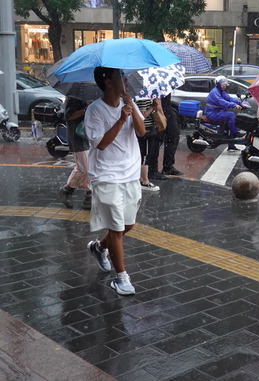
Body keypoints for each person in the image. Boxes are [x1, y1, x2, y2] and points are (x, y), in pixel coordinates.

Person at [84, 66, 145, 296]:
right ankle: (121, 278)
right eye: (120, 76)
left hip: (130, 173)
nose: (125, 79)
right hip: (106, 175)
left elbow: (141, 132)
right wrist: (121, 119)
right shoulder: (94, 111)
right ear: (108, 82)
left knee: (127, 225)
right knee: (117, 229)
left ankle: (99, 247)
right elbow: (101, 143)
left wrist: (132, 111)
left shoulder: (129, 103)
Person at [58, 96, 93, 210]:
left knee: (89, 167)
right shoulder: (73, 97)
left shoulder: (86, 94)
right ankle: (67, 189)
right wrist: (86, 109)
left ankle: (89, 194)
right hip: (77, 136)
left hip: (87, 135)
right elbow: (68, 116)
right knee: (84, 168)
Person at [205, 76, 244, 152]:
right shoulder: (215, 92)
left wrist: (241, 103)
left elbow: (229, 98)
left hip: (219, 112)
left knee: (229, 125)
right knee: (231, 115)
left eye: (225, 84)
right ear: (218, 84)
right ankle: (235, 133)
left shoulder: (221, 91)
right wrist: (234, 105)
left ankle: (231, 145)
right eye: (222, 84)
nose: (224, 86)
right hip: (212, 113)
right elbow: (221, 101)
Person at [134, 97, 163, 188]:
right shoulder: (142, 99)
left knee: (145, 155)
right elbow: (142, 115)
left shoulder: (148, 98)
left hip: (149, 130)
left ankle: (140, 179)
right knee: (145, 155)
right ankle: (144, 180)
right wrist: (152, 107)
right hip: (146, 131)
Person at [160, 93, 183, 176]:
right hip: (161, 110)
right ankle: (153, 168)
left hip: (166, 109)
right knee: (156, 140)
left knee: (173, 136)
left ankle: (167, 166)